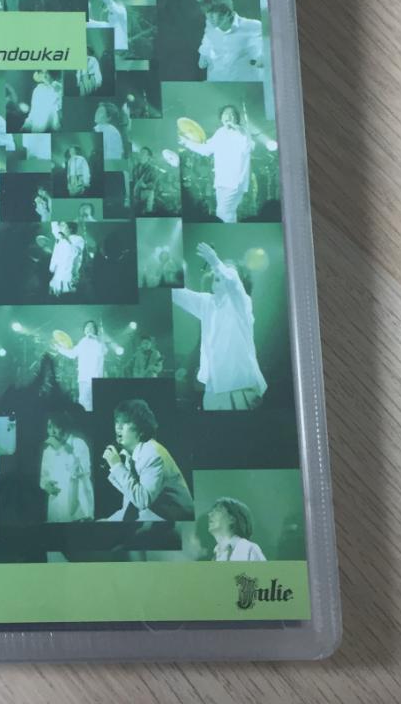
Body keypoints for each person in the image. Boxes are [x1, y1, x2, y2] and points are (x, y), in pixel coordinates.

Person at [172, 242, 266, 409]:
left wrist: (216, 262)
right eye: (217, 270)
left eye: (227, 269)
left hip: (239, 388)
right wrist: (173, 273)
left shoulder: (242, 303)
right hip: (212, 389)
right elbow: (178, 294)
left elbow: (233, 283)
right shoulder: (207, 302)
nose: (218, 271)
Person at [101, 398, 194, 522]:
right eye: (117, 421)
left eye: (125, 422)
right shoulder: (129, 455)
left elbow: (142, 500)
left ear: (141, 430)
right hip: (152, 515)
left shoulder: (152, 454)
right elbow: (131, 502)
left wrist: (117, 466)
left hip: (174, 519)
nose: (118, 427)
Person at [179, 105, 253, 222]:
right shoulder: (220, 133)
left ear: (236, 118)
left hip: (234, 182)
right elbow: (205, 149)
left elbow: (248, 147)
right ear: (221, 117)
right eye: (225, 114)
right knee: (227, 214)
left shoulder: (242, 132)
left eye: (232, 114)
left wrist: (236, 128)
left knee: (223, 213)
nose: (228, 116)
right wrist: (186, 142)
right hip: (221, 181)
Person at [196, 0, 263, 81]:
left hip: (244, 88)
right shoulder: (211, 30)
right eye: (207, 12)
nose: (209, 17)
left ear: (226, 13)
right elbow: (202, 64)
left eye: (213, 12)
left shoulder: (252, 26)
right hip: (214, 87)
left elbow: (262, 57)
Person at [40, 415, 95, 522]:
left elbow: (81, 471)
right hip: (56, 505)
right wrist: (46, 485)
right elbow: (44, 477)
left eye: (56, 427)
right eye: (49, 427)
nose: (52, 432)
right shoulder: (47, 451)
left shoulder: (79, 443)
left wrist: (64, 449)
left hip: (79, 507)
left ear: (64, 427)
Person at [51, 319, 105, 411]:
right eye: (87, 327)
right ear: (84, 330)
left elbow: (102, 351)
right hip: (83, 377)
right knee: (83, 401)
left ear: (95, 330)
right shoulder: (83, 341)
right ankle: (86, 419)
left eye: (91, 327)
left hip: (95, 377)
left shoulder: (99, 342)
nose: (89, 328)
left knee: (95, 402)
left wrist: (96, 338)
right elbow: (72, 354)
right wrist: (59, 349)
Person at [198, 497, 266, 561]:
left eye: (218, 510)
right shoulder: (215, 557)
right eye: (212, 511)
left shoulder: (248, 548)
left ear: (232, 519)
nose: (210, 514)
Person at [48, 221, 85, 297]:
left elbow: (75, 252)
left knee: (66, 298)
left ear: (70, 229)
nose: (60, 227)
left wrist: (66, 239)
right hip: (57, 276)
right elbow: (55, 229)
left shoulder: (78, 239)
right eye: (60, 225)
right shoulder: (61, 238)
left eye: (63, 226)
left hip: (67, 277)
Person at [131, 146, 159, 214]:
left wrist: (145, 185)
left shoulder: (152, 169)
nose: (140, 155)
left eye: (143, 153)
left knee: (147, 213)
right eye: (140, 153)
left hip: (147, 196)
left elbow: (154, 185)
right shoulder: (135, 168)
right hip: (136, 196)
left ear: (148, 157)